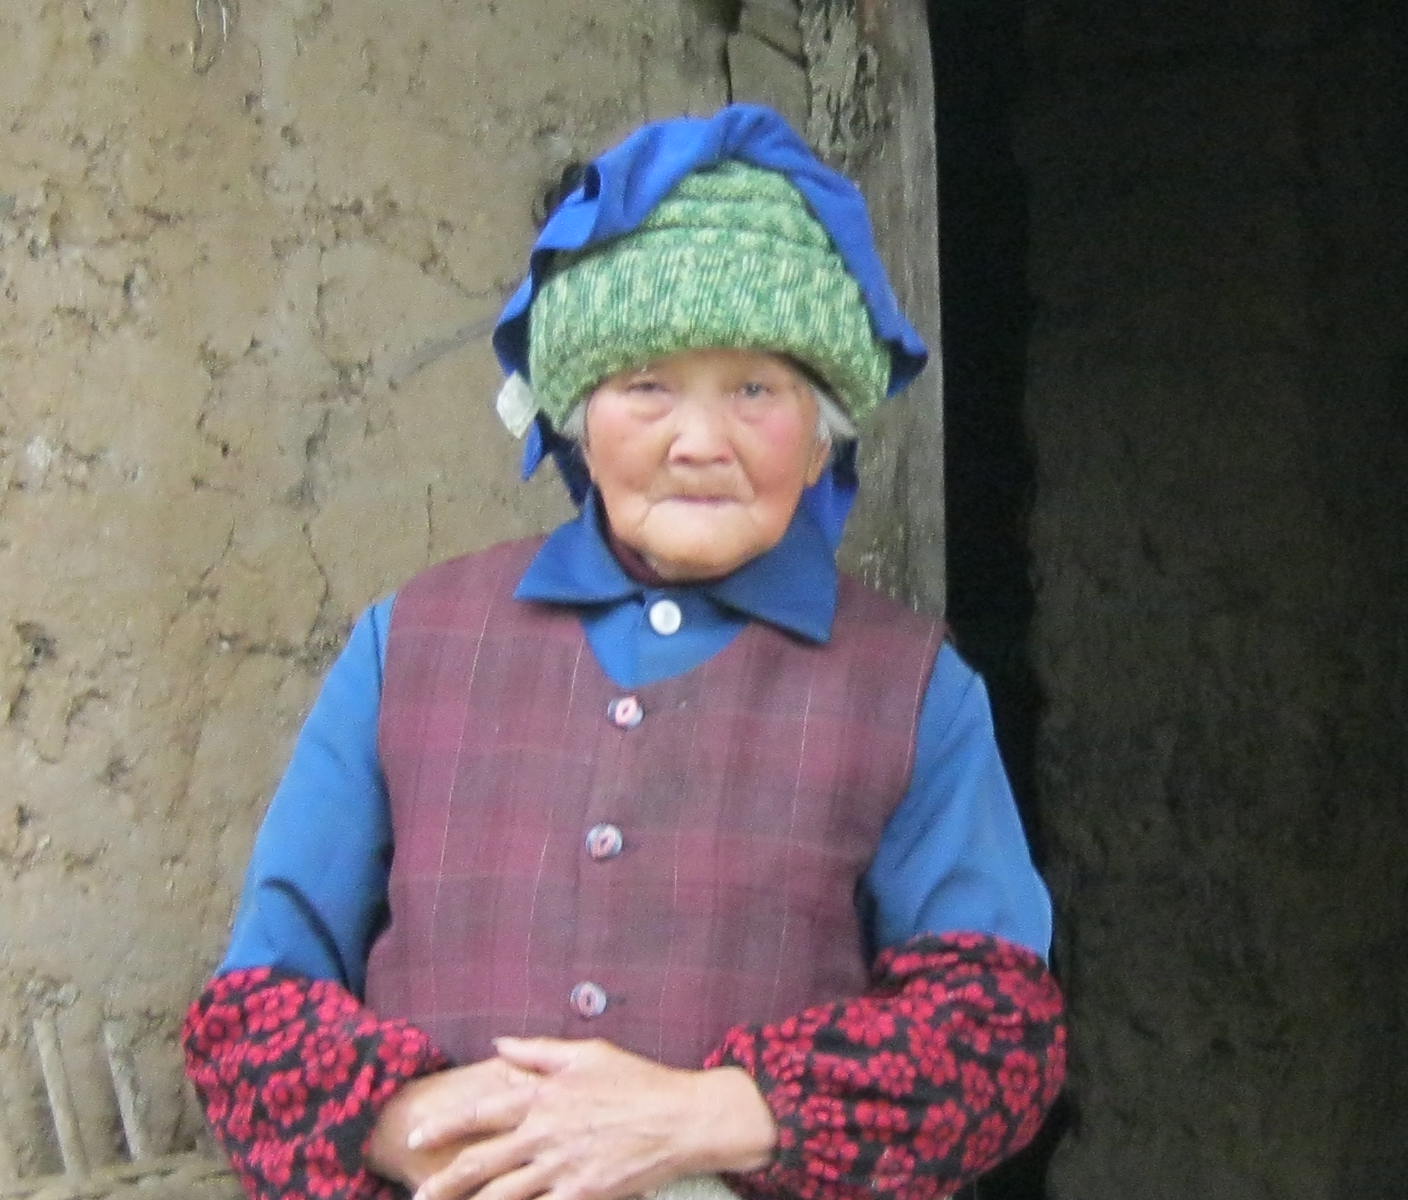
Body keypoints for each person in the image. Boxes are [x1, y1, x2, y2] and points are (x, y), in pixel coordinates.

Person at [183, 103, 1066, 1200]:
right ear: (577, 419)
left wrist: (708, 1119)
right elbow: (252, 1012)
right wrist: (404, 1123)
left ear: (822, 431)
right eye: (646, 384)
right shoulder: (410, 643)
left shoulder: (910, 688)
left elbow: (994, 1037)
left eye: (756, 389)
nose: (699, 442)